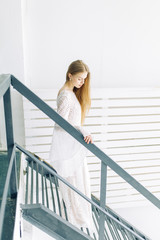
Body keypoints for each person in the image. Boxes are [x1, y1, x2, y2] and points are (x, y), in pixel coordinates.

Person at [49, 60, 94, 235]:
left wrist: (81, 129)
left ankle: (79, 222)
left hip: (72, 146)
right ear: (70, 75)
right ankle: (77, 224)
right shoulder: (66, 95)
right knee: (75, 185)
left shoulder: (70, 93)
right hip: (69, 148)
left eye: (84, 79)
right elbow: (61, 124)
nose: (82, 82)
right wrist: (82, 129)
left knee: (79, 184)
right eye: (80, 78)